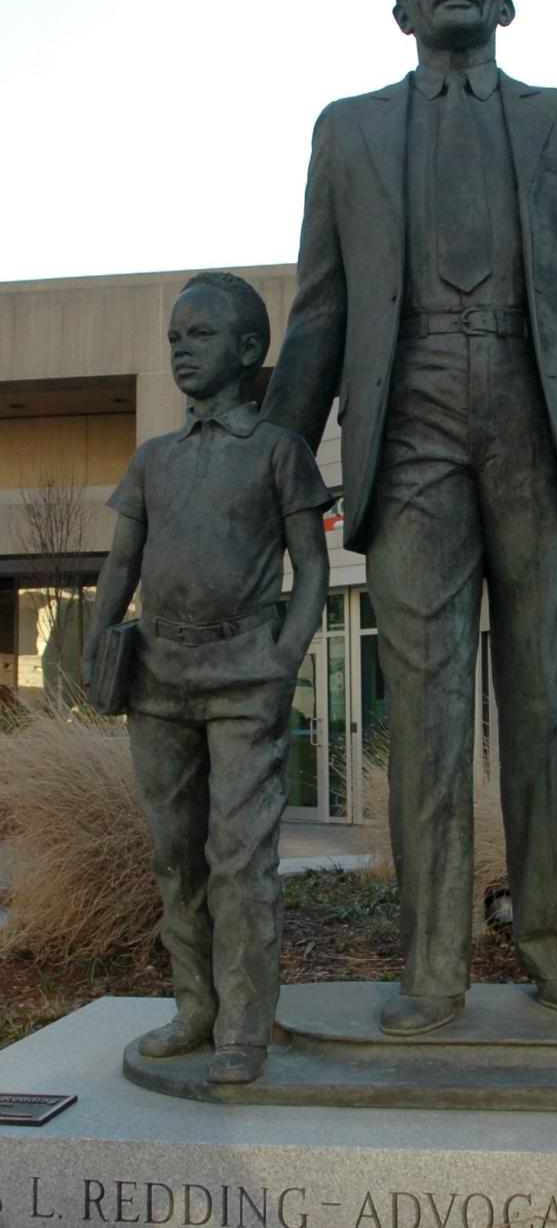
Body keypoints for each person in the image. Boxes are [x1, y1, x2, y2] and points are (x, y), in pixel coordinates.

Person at [263, 0, 557, 1036]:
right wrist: (276, 448)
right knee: (431, 711)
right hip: (408, 422)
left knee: (549, 700)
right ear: (399, 8)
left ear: (506, 3)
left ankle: (552, 938)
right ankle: (433, 962)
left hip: (542, 413)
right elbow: (322, 305)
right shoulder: (347, 132)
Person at [82, 271, 331, 1085]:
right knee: (174, 854)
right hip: (158, 678)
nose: (183, 351)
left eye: (201, 336)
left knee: (240, 858)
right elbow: (120, 566)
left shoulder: (278, 453)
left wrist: (280, 660)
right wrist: (95, 643)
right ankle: (194, 1008)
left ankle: (244, 1024)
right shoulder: (153, 461)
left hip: (243, 679)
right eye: (174, 339)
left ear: (250, 350)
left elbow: (314, 569)